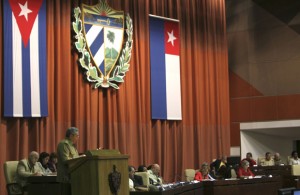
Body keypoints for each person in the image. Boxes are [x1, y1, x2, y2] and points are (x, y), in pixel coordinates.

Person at [57, 127, 83, 195]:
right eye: (77, 136)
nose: (78, 138)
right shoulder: (64, 144)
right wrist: (81, 158)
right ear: (71, 135)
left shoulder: (72, 145)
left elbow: (75, 158)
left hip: (73, 176)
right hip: (65, 177)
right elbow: (65, 160)